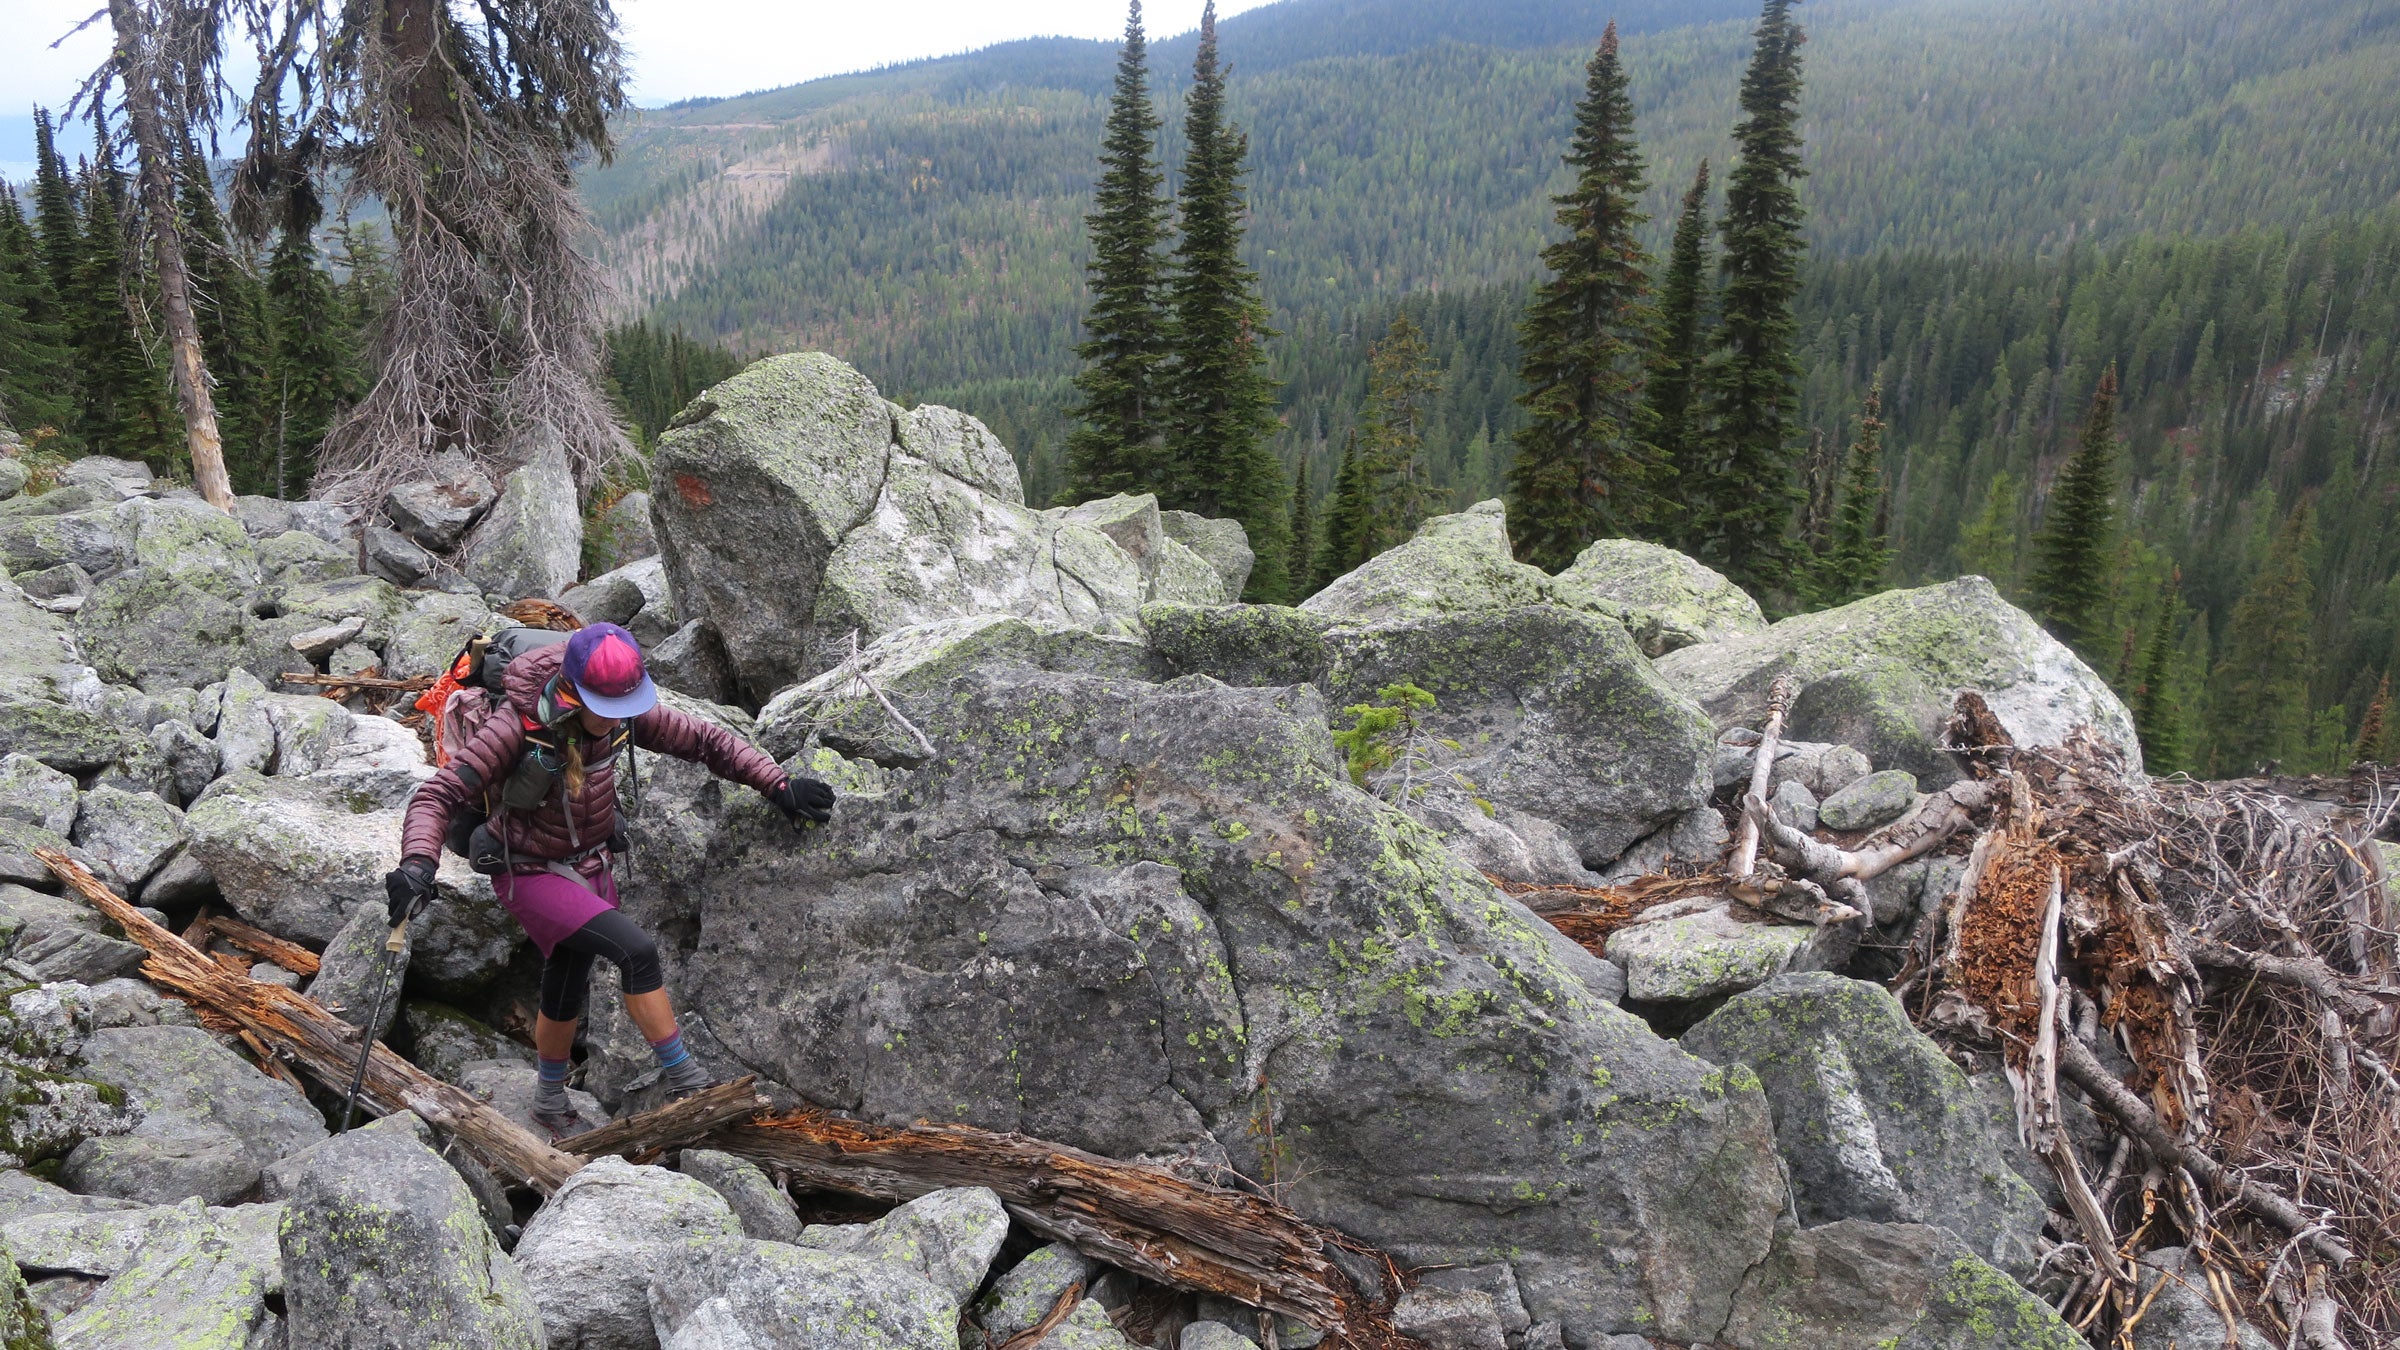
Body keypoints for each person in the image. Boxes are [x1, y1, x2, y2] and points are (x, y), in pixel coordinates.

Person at [385, 621, 833, 1134]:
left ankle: (549, 1102)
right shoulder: (516, 725)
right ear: (573, 693)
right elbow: (436, 795)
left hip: (592, 864)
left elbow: (707, 741)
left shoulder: (623, 714)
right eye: (609, 709)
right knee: (636, 950)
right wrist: (417, 864)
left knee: (567, 977)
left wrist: (778, 785)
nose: (621, 718)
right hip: (526, 871)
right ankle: (688, 1080)